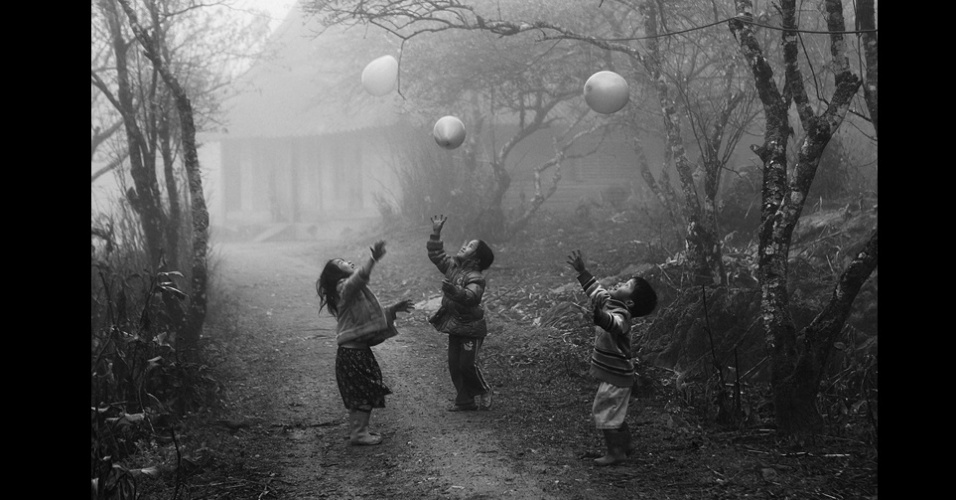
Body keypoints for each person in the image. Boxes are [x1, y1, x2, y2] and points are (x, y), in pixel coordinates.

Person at [316, 240, 414, 445]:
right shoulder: (344, 287)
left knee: (360, 394)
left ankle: (358, 431)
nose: (348, 261)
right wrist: (372, 260)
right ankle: (359, 433)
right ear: (336, 274)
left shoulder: (349, 292)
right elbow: (357, 280)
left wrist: (393, 309)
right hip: (353, 355)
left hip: (355, 354)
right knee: (363, 395)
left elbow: (368, 317)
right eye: (341, 262)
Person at [566, 249, 657, 466]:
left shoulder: (623, 315)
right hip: (615, 374)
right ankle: (625, 446)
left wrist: (599, 317)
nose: (620, 284)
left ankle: (615, 452)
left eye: (626, 286)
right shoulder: (608, 300)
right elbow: (594, 289)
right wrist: (582, 271)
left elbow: (613, 323)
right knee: (612, 411)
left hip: (618, 375)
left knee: (603, 411)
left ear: (630, 303)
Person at [426, 215, 495, 412]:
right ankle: (465, 400)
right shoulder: (452, 267)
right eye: (466, 244)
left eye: (470, 246)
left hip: (471, 329)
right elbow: (436, 255)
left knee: (467, 364)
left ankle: (483, 389)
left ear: (476, 258)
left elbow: (472, 297)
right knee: (454, 365)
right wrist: (436, 232)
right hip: (455, 325)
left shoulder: (476, 278)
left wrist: (454, 292)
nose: (465, 246)